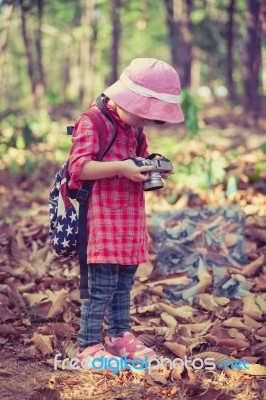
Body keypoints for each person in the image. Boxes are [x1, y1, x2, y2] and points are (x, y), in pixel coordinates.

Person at [68, 58, 184, 371]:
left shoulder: (134, 128)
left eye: (152, 119)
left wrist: (153, 166)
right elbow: (77, 168)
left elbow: (141, 157)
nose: (145, 122)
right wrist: (121, 167)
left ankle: (119, 336)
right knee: (100, 287)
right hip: (102, 220)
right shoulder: (92, 121)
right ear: (124, 98)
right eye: (143, 114)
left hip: (130, 220)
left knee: (124, 285)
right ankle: (89, 346)